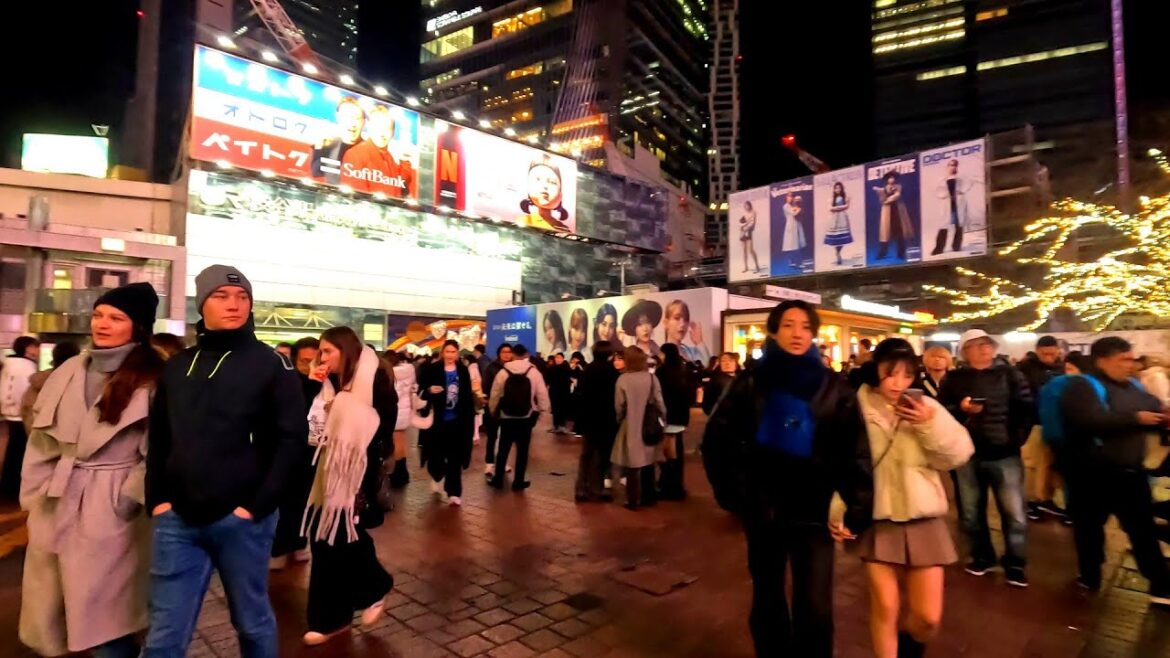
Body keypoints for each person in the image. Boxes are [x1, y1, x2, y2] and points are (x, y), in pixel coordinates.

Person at [144, 265, 307, 658]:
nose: (234, 305)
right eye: (221, 296)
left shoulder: (271, 364)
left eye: (242, 297)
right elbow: (161, 437)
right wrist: (158, 501)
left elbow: (291, 441)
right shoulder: (179, 365)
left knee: (252, 621)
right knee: (165, 631)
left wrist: (254, 506)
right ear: (202, 303)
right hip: (177, 519)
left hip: (242, 520)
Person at [702, 300, 872, 657]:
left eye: (805, 326)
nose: (797, 333)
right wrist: (734, 493)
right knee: (767, 596)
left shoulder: (833, 386)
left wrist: (857, 505)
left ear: (813, 334)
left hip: (815, 509)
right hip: (765, 508)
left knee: (815, 602)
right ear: (774, 331)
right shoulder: (751, 382)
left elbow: (853, 447)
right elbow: (718, 438)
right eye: (789, 325)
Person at [19, 283, 163, 658]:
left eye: (116, 318)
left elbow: (161, 451)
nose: (103, 324)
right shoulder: (70, 368)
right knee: (58, 607)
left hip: (114, 505)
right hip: (59, 497)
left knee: (107, 616)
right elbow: (41, 440)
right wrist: (35, 494)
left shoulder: (154, 376)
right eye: (99, 315)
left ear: (138, 327)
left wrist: (128, 498)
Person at [848, 339, 973, 658]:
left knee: (927, 618)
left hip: (922, 516)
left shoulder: (927, 407)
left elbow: (959, 453)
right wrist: (839, 510)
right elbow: (839, 463)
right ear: (876, 370)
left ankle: (908, 648)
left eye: (906, 375)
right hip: (877, 516)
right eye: (891, 374)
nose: (898, 383)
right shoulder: (856, 407)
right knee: (885, 606)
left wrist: (926, 425)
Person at [300, 327, 396, 645]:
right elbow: (305, 421)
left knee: (341, 536)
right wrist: (313, 385)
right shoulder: (327, 382)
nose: (322, 357)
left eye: (328, 351)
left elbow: (383, 426)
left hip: (358, 472)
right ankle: (332, 618)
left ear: (346, 349)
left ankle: (372, 588)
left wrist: (342, 409)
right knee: (325, 538)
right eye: (320, 352)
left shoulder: (374, 378)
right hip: (326, 469)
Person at [1060, 337, 1170, 603]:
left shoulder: (1132, 386)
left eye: (1130, 358)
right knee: (1089, 529)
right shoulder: (1081, 386)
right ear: (1102, 360)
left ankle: (1161, 586)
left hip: (1130, 474)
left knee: (1142, 531)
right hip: (1091, 475)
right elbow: (1089, 420)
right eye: (1123, 359)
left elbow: (1153, 406)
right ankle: (1089, 577)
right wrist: (1135, 419)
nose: (1129, 364)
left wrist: (1162, 414)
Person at [938, 329, 1033, 587]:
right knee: (970, 512)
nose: (983, 349)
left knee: (1014, 513)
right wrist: (962, 408)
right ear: (965, 351)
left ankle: (1015, 563)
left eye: (987, 344)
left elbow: (1026, 408)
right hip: (967, 454)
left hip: (1005, 453)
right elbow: (942, 412)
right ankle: (982, 556)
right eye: (976, 345)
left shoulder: (1011, 375)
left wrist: (1016, 439)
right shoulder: (954, 379)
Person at [270, 337, 323, 571]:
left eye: (314, 360)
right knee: (284, 500)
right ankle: (280, 547)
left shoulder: (326, 382)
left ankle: (300, 542)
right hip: (285, 449)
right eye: (304, 361)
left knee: (305, 500)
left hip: (313, 451)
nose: (309, 365)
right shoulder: (285, 382)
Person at [418, 340, 475, 506]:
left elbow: (467, 397)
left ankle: (454, 492)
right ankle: (436, 476)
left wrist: (470, 419)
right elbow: (421, 390)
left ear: (458, 354)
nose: (450, 355)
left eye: (454, 352)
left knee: (455, 459)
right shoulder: (432, 369)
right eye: (448, 351)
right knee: (435, 456)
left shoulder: (463, 371)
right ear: (443, 352)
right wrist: (429, 390)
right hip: (437, 422)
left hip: (457, 422)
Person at [488, 343, 550, 491]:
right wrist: (543, 411)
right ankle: (518, 481)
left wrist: (493, 411)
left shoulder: (503, 372)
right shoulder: (534, 372)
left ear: (513, 354)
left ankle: (498, 480)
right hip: (526, 416)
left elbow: (495, 394)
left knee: (503, 448)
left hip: (506, 416)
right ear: (526, 355)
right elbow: (542, 394)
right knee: (522, 451)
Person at [1018, 336, 1066, 521]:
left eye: (1052, 353)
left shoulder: (1062, 368)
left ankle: (1047, 498)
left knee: (1051, 466)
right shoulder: (1025, 369)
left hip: (1056, 423)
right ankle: (1031, 501)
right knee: (1034, 465)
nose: (1048, 357)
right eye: (1045, 353)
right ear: (1037, 351)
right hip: (1034, 423)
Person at [613, 346, 666, 510]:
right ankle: (650, 497)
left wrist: (620, 419)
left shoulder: (622, 380)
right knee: (649, 461)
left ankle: (633, 500)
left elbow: (619, 406)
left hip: (631, 424)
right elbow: (659, 402)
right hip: (649, 425)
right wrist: (663, 419)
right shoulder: (651, 379)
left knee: (633, 465)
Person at [574, 341, 620, 502]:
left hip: (588, 419)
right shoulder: (614, 373)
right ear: (610, 354)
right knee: (604, 455)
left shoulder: (587, 371)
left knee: (586, 455)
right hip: (608, 420)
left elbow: (579, 396)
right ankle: (599, 489)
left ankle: (581, 488)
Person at [340, 105, 417, 197]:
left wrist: (405, 161)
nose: (382, 134)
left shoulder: (388, 157)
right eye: (378, 127)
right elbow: (356, 197)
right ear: (369, 127)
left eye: (387, 129)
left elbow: (400, 184)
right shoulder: (355, 154)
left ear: (393, 132)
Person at [1, 335, 41, 499]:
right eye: (36, 346)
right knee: (19, 451)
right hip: (20, 415)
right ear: (28, 348)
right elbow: (24, 393)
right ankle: (15, 486)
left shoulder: (7, 364)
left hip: (8, 413)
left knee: (12, 449)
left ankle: (8, 485)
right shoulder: (26, 366)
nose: (38, 350)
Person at [656, 343, 692, 501]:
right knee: (677, 452)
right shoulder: (683, 370)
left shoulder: (662, 372)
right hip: (680, 417)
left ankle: (669, 487)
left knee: (668, 454)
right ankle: (676, 485)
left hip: (667, 417)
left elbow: (659, 396)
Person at [21, 341, 81, 434]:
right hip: (68, 443)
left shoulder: (39, 381)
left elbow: (26, 410)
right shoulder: (79, 381)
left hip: (38, 440)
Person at [311, 97, 365, 185]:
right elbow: (316, 173)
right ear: (338, 117)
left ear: (363, 122)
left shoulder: (369, 152)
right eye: (347, 117)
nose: (352, 123)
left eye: (356, 118)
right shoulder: (327, 144)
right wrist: (319, 146)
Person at [931, 158, 977, 255]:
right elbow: (937, 191)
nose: (952, 167)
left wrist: (962, 191)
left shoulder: (961, 177)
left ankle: (956, 246)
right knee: (943, 226)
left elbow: (971, 182)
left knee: (958, 226)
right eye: (951, 165)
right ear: (947, 167)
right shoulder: (942, 179)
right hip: (947, 205)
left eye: (954, 165)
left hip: (958, 204)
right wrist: (945, 195)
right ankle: (939, 248)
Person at [482, 344, 513, 478]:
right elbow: (486, 385)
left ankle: (503, 462)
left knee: (505, 437)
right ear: (499, 353)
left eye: (509, 352)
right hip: (494, 405)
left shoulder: (514, 367)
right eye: (503, 352)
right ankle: (489, 463)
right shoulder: (491, 367)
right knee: (492, 435)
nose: (506, 354)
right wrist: (488, 401)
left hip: (509, 407)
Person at [519, 157, 571, 232]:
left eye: (552, 182)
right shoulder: (525, 222)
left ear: (560, 192)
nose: (545, 186)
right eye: (538, 179)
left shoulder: (563, 229)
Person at [873, 171, 914, 261]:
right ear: (887, 180)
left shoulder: (898, 186)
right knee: (884, 233)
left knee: (899, 232)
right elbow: (881, 199)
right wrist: (879, 192)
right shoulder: (884, 188)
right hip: (887, 212)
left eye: (893, 177)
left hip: (897, 211)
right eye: (889, 178)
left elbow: (897, 195)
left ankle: (901, 253)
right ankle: (882, 252)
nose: (891, 179)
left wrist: (887, 200)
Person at [662, 299, 710, 363]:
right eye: (677, 318)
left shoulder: (691, 352)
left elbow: (708, 367)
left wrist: (699, 342)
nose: (682, 324)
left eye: (686, 319)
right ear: (666, 323)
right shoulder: (660, 354)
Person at [825, 182, 854, 265]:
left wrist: (837, 208)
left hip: (843, 218)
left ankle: (838, 252)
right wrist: (839, 208)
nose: (838, 189)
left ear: (842, 189)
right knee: (835, 237)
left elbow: (846, 206)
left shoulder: (845, 197)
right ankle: (837, 254)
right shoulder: (831, 198)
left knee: (843, 236)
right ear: (834, 189)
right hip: (834, 218)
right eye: (836, 188)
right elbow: (830, 208)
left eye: (839, 188)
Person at [547, 352, 572, 434]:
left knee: (562, 409)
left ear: (563, 358)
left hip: (563, 392)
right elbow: (548, 379)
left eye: (560, 357)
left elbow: (569, 379)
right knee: (555, 410)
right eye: (556, 357)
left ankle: (562, 426)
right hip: (554, 392)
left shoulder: (566, 368)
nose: (558, 359)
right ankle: (555, 426)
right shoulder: (552, 368)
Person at [738, 199, 761, 273]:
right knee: (744, 251)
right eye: (745, 206)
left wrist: (746, 226)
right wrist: (744, 225)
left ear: (750, 205)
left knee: (750, 250)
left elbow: (752, 223)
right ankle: (746, 267)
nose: (746, 207)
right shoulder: (743, 213)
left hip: (748, 232)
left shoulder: (753, 212)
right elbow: (739, 223)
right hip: (742, 233)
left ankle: (757, 266)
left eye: (747, 205)